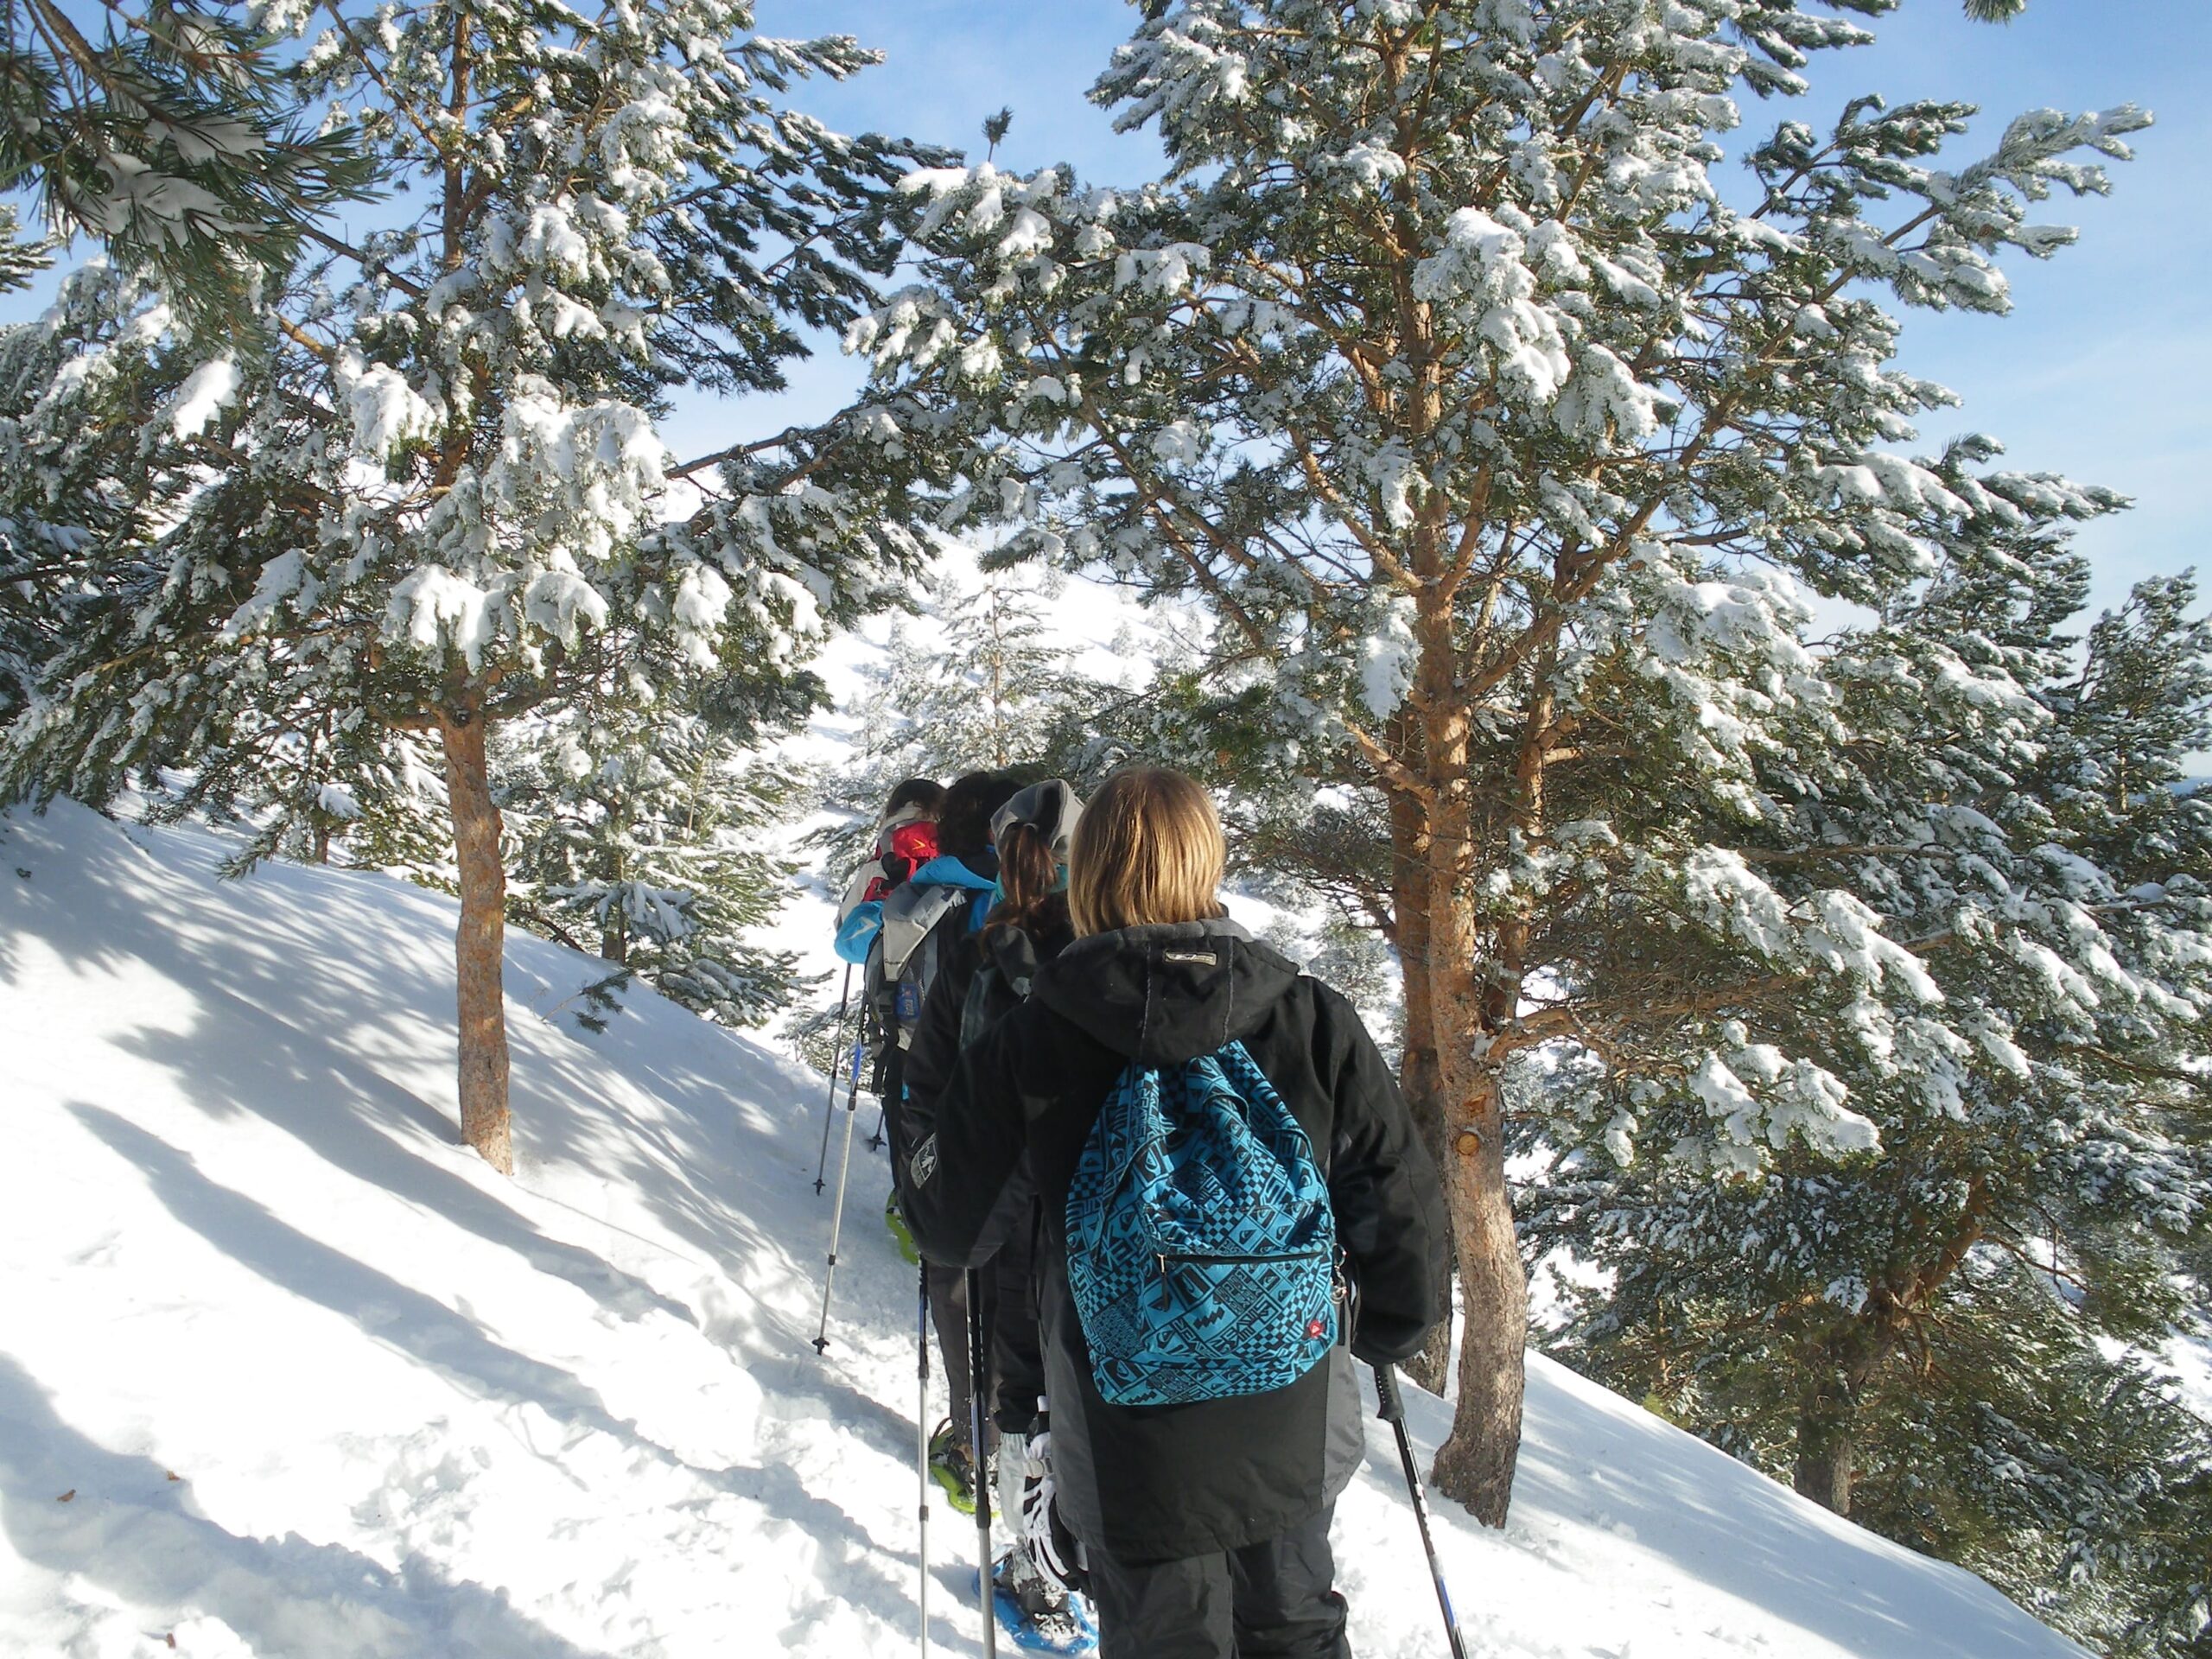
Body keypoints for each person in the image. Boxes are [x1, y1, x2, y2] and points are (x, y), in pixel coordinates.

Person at [897, 766, 1449, 1659]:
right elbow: (1399, 1206)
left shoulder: (1036, 1034)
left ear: (1091, 871)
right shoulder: (1309, 1017)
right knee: (1299, 1625)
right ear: (1207, 860)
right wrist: (1389, 1328)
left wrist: (923, 1129)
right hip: (1289, 1404)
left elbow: (949, 1228)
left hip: (1122, 1434)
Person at [902, 779, 1085, 1639]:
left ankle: (1031, 1561)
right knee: (1082, 1393)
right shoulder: (1116, 960)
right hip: (1093, 1221)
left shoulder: (976, 956)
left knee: (1019, 1396)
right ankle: (1082, 1558)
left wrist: (935, 1190)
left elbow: (929, 1085)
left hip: (996, 1212)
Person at [889, 768, 1022, 1513]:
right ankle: (1015, 1447)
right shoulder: (1051, 905)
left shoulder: (920, 889)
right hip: (1033, 1143)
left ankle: (975, 1442)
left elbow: (872, 966)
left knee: (957, 1282)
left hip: (945, 1113)